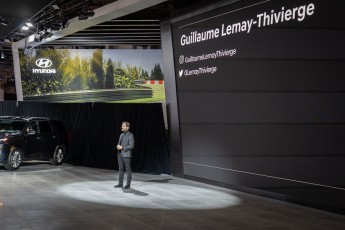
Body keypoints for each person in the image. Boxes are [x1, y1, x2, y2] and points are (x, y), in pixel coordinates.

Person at [115, 121, 135, 189]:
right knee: (121, 169)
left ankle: (128, 184)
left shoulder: (130, 135)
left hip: (127, 155)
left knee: (128, 169)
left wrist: (123, 147)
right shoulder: (121, 135)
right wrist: (118, 146)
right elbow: (119, 143)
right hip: (120, 154)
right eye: (122, 126)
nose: (122, 127)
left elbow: (131, 146)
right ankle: (120, 183)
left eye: (123, 126)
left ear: (127, 127)